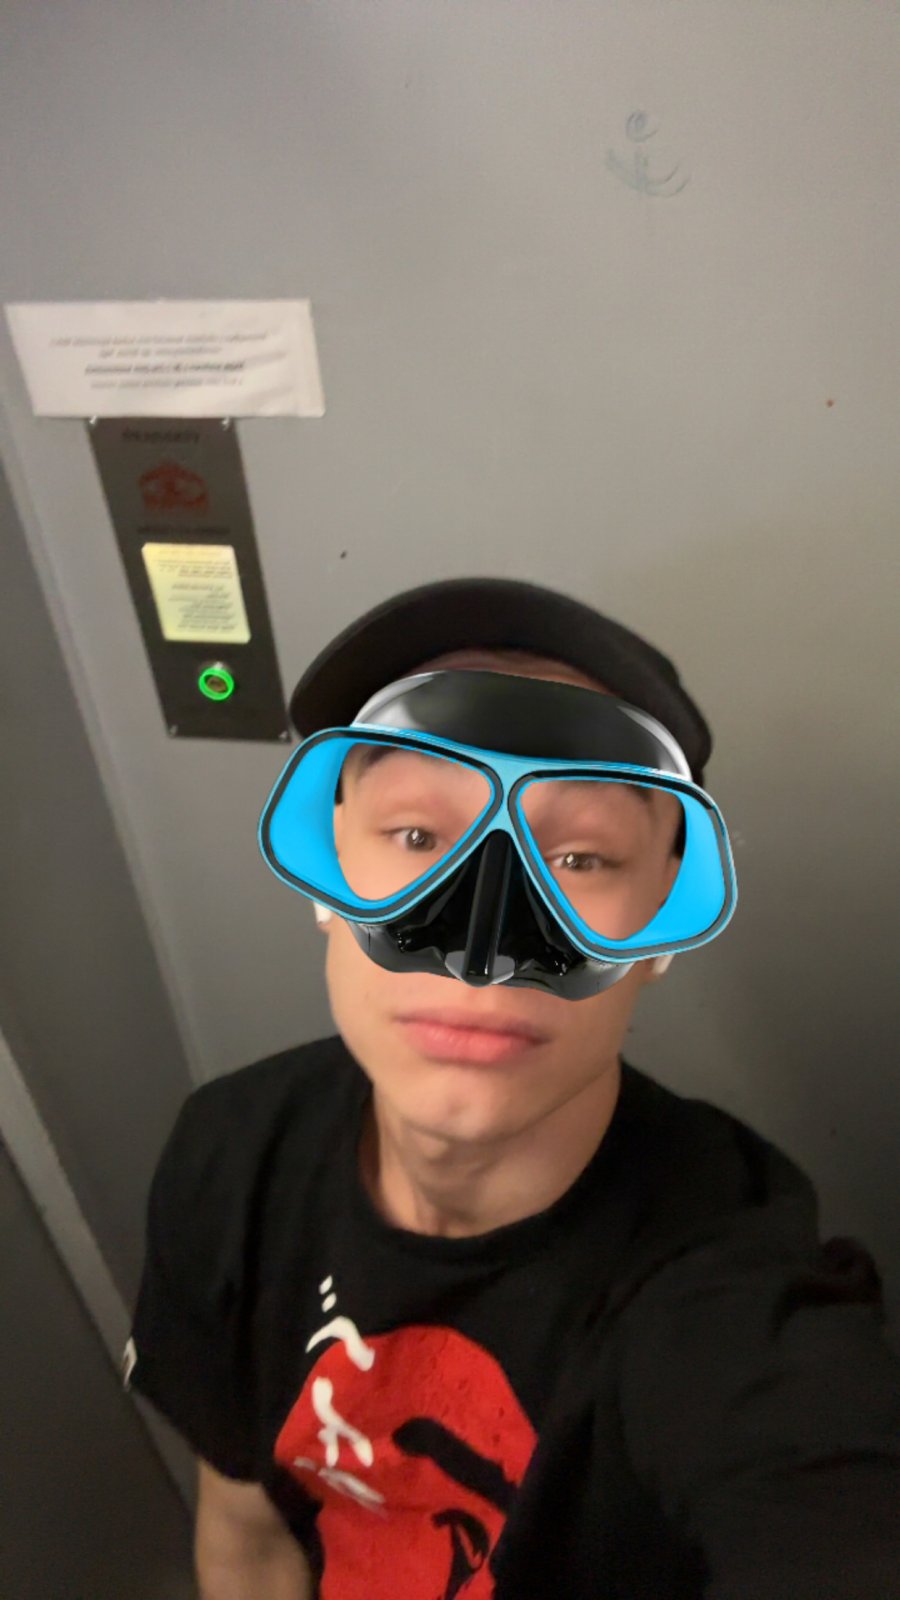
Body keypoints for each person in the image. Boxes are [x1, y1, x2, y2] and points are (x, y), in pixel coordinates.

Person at [125, 577, 900, 1600]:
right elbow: (245, 1533)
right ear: (326, 873)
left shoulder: (723, 1284)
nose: (482, 946)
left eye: (579, 857)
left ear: (661, 930)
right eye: (416, 837)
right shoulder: (231, 1156)